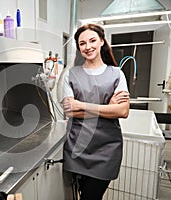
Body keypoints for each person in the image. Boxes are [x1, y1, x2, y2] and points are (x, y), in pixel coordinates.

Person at [61, 23, 130, 200]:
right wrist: (107, 107)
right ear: (78, 47)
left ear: (101, 41)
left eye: (92, 40)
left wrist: (82, 105)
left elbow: (123, 111)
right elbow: (70, 111)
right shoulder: (71, 74)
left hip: (106, 150)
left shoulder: (117, 74)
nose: (88, 46)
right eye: (82, 43)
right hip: (77, 148)